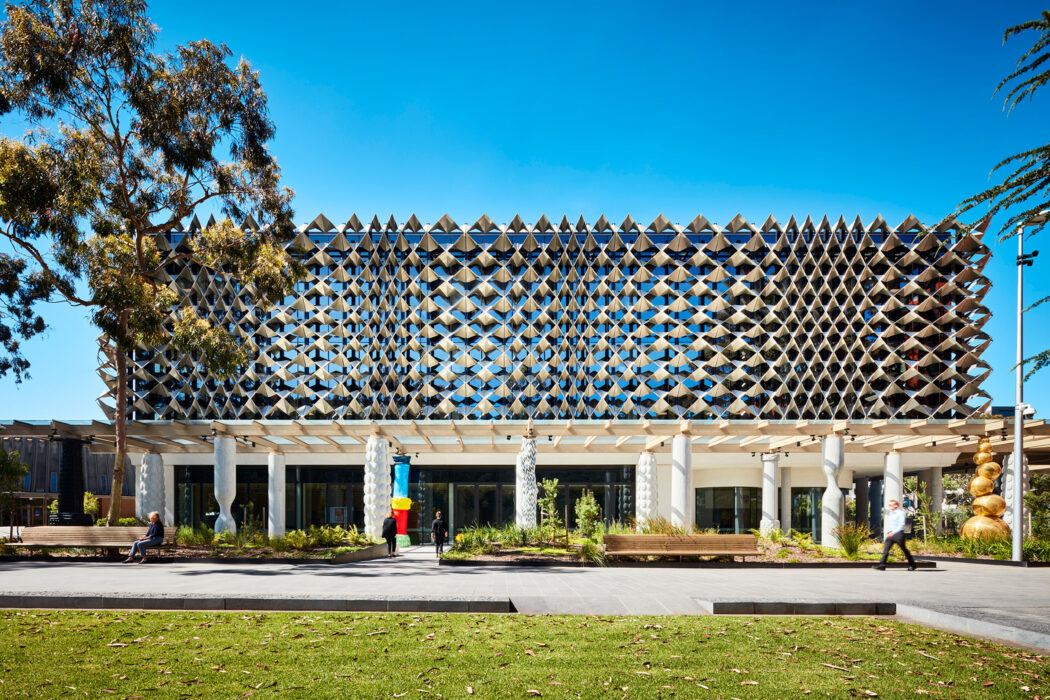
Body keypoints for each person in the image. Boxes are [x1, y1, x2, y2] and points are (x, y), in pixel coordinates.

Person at [873, 499, 916, 571]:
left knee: (904, 550)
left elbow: (901, 525)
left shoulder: (901, 513)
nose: (889, 506)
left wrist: (893, 532)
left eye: (891, 504)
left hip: (899, 534)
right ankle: (882, 565)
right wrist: (890, 532)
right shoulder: (891, 513)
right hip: (891, 534)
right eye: (889, 505)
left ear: (896, 505)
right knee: (886, 549)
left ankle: (912, 565)